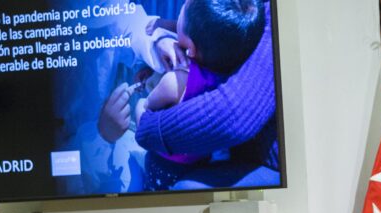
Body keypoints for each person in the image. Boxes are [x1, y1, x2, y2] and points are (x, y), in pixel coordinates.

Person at [100, 0, 279, 191]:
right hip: (202, 162)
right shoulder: (231, 58)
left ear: (191, 48)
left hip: (164, 167)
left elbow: (145, 108)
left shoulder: (174, 82)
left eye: (180, 12)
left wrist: (136, 114)